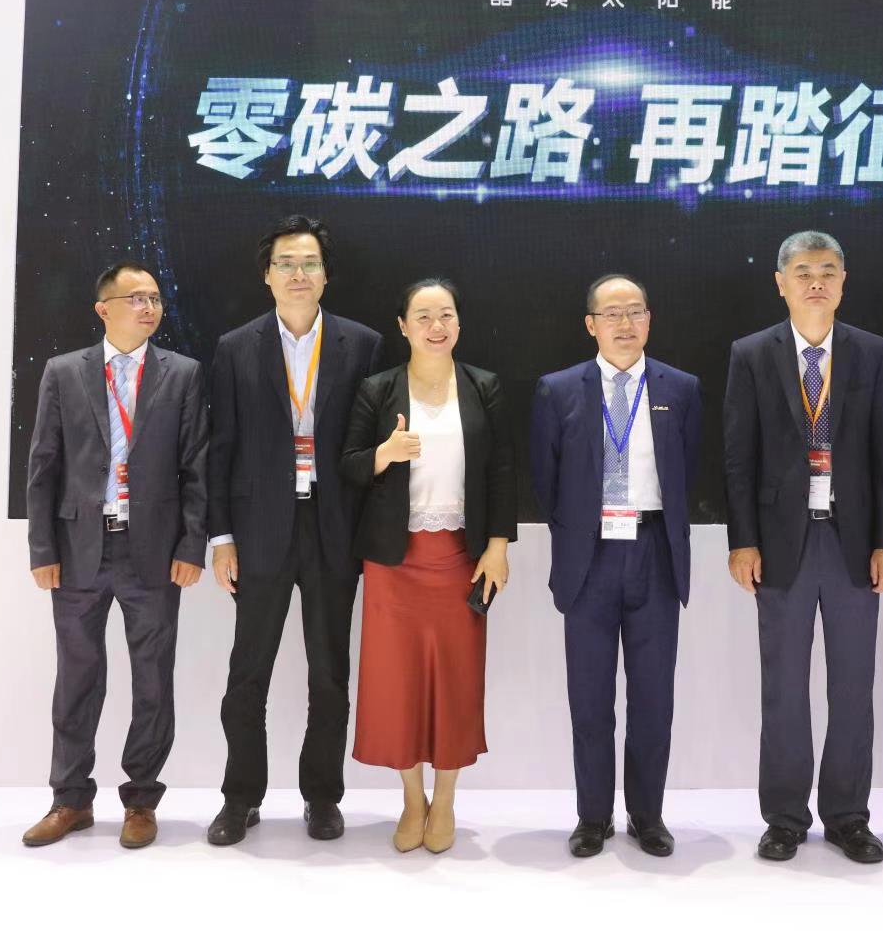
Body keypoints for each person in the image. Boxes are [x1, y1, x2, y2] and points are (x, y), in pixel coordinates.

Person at [724, 231, 883, 864]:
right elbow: (738, 457)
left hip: (854, 543)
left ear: (843, 281)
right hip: (781, 545)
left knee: (853, 686)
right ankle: (784, 817)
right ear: (781, 283)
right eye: (803, 272)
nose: (816, 282)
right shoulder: (752, 353)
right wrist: (743, 541)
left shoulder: (873, 352)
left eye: (828, 270)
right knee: (784, 687)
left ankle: (849, 816)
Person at [206, 215, 383, 845]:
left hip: (334, 530)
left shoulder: (362, 344)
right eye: (286, 263)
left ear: (326, 274)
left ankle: (323, 796)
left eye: (309, 263)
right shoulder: (235, 347)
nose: (298, 273)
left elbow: (371, 448)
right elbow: (220, 448)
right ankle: (240, 797)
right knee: (247, 673)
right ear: (267, 275)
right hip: (260, 531)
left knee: (329, 675)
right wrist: (221, 538)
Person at [23, 261, 207, 849]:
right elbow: (43, 465)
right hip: (78, 547)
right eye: (136, 298)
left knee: (153, 678)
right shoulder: (63, 372)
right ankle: (70, 799)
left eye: (155, 298)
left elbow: (196, 466)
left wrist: (192, 544)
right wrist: (42, 547)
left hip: (152, 550)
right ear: (104, 309)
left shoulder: (182, 374)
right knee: (77, 676)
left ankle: (141, 799)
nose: (149, 307)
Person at [341, 278, 515, 853]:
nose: (436, 326)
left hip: (461, 557)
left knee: (456, 680)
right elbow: (348, 466)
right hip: (394, 561)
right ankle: (412, 799)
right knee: (398, 684)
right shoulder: (378, 389)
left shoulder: (484, 386)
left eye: (446, 315)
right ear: (403, 326)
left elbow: (502, 470)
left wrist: (497, 545)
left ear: (458, 323)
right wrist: (384, 455)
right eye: (423, 316)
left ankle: (445, 799)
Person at [531, 275, 701, 858]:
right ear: (591, 325)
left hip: (654, 552)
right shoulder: (558, 390)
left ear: (649, 319)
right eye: (612, 314)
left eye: (635, 312)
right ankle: (592, 816)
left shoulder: (682, 388)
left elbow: (688, 471)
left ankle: (647, 815)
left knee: (653, 698)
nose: (624, 324)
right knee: (589, 698)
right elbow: (545, 480)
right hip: (590, 556)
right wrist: (582, 529)